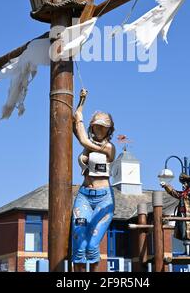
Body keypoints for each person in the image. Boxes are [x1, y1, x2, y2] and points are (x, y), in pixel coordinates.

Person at [72, 89, 116, 272]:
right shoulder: (87, 146)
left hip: (104, 199)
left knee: (91, 245)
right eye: (97, 126)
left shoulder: (109, 148)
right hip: (84, 196)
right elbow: (76, 126)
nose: (99, 130)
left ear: (109, 130)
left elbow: (82, 139)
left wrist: (80, 113)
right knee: (79, 244)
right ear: (92, 127)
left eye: (103, 127)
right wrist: (81, 102)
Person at [160, 173, 190, 256]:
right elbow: (174, 193)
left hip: (188, 216)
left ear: (188, 184)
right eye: (183, 183)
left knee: (189, 233)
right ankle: (186, 251)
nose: (183, 185)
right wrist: (166, 186)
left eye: (185, 183)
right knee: (184, 233)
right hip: (181, 215)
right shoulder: (183, 194)